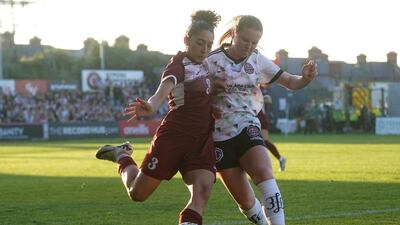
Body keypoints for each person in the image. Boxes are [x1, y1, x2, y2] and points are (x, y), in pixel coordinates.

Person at [95, 10, 221, 225]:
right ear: (186, 40)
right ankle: (121, 155)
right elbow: (164, 89)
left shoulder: (207, 63)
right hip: (174, 137)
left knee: (202, 191)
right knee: (138, 193)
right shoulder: (178, 65)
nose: (205, 49)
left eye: (209, 45)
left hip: (200, 141)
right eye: (200, 43)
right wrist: (152, 105)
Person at [207, 15, 317, 225]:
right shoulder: (211, 61)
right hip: (218, 137)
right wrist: (210, 92)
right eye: (244, 40)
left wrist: (305, 78)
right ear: (234, 34)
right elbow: (191, 93)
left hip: (247, 126)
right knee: (247, 203)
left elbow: (291, 82)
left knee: (264, 175)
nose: (249, 46)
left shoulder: (258, 60)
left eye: (254, 42)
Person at [258, 84, 286, 172]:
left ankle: (280, 158)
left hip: (260, 118)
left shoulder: (262, 89)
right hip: (251, 118)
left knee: (264, 141)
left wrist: (257, 99)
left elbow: (268, 100)